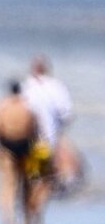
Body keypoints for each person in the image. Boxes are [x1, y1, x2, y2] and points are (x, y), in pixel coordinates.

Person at [22, 54, 76, 194]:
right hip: (50, 135)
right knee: (49, 171)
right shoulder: (56, 86)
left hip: (30, 138)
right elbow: (66, 114)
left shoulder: (26, 86)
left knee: (35, 177)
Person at [0, 80, 39, 224]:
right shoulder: (27, 107)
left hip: (7, 146)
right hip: (25, 146)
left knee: (8, 184)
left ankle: (9, 219)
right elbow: (34, 130)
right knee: (27, 184)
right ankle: (27, 219)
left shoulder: (2, 107)